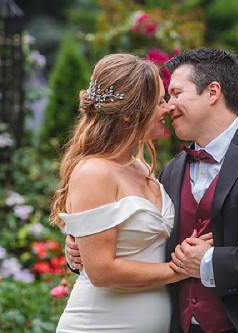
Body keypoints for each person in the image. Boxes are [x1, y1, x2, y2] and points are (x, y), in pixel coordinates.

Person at [66, 48, 238, 333]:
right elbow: (141, 245)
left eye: (175, 93)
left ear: (213, 92)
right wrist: (81, 252)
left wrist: (212, 262)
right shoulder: (170, 171)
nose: (168, 105)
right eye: (165, 97)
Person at [50, 53, 209, 333]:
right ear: (127, 113)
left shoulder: (139, 167)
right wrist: (183, 269)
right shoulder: (94, 171)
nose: (168, 108)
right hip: (101, 324)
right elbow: (101, 272)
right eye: (159, 101)